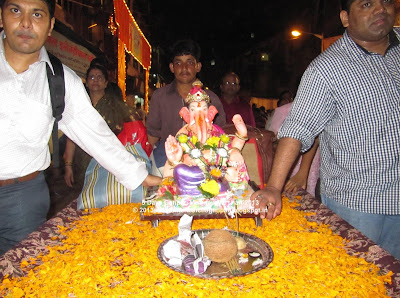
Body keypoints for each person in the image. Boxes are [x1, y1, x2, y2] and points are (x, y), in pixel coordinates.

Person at [0, 0, 160, 255]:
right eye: (16, 10)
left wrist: (142, 176)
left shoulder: (61, 80)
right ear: (1, 17)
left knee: (18, 276)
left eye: (37, 14)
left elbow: (97, 135)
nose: (26, 23)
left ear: (51, 25)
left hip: (23, 199)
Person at [251, 0, 400, 260]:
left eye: (386, 1)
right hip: (360, 204)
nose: (380, 9)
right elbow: (297, 130)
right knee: (359, 279)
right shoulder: (327, 69)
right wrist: (275, 187)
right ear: (345, 18)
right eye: (366, 4)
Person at [146, 39, 226, 176]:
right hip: (167, 158)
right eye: (178, 63)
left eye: (189, 62)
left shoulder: (211, 99)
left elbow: (221, 134)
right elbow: (152, 135)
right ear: (172, 67)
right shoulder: (160, 96)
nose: (184, 68)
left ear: (198, 66)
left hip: (203, 159)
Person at [63, 64, 145, 189]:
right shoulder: (79, 105)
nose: (95, 80)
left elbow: (132, 126)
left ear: (106, 83)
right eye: (92, 77)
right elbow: (72, 136)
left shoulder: (116, 107)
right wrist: (68, 165)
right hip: (81, 162)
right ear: (86, 82)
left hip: (107, 163)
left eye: (99, 77)